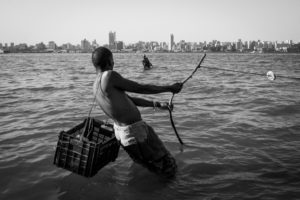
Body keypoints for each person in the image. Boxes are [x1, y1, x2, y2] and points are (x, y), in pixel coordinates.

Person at [92, 47, 183, 178]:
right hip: (135, 132)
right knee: (168, 166)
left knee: (150, 166)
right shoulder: (109, 76)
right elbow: (140, 88)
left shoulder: (95, 84)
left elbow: (129, 100)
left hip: (122, 134)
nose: (114, 64)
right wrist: (170, 88)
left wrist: (156, 104)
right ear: (108, 62)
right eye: (112, 61)